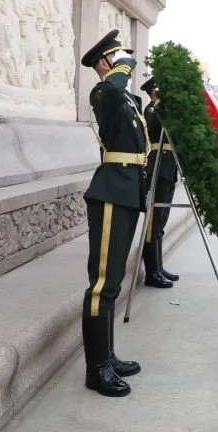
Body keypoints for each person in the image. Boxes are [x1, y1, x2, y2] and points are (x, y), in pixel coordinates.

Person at [78, 29, 148, 397]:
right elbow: (115, 89)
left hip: (127, 192)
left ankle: (108, 356)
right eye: (119, 58)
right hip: (110, 193)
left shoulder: (125, 100)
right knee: (102, 283)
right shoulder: (103, 93)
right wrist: (119, 69)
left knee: (114, 281)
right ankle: (96, 368)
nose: (127, 65)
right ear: (105, 63)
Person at [140, 76, 180, 287]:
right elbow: (162, 125)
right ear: (154, 91)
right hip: (157, 167)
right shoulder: (151, 111)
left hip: (168, 168)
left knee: (161, 221)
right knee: (153, 223)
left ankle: (159, 267)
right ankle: (151, 273)